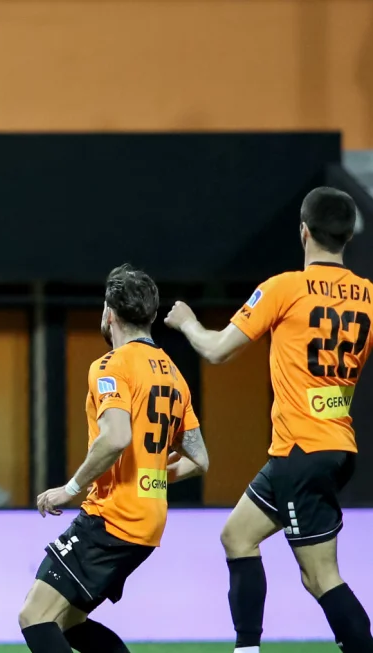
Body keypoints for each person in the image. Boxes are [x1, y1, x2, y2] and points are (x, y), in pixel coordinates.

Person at [164, 186, 373, 653]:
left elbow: (216, 351)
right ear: (349, 236)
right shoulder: (369, 297)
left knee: (320, 577)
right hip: (329, 446)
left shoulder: (283, 288)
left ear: (303, 233)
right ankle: (246, 649)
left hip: (303, 449)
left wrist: (187, 323)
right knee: (237, 535)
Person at [21, 264, 210, 653]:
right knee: (69, 620)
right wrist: (153, 475)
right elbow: (199, 460)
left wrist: (69, 489)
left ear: (109, 312)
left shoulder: (111, 365)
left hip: (113, 517)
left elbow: (116, 437)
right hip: (149, 520)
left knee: (35, 616)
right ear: (153, 315)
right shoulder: (174, 375)